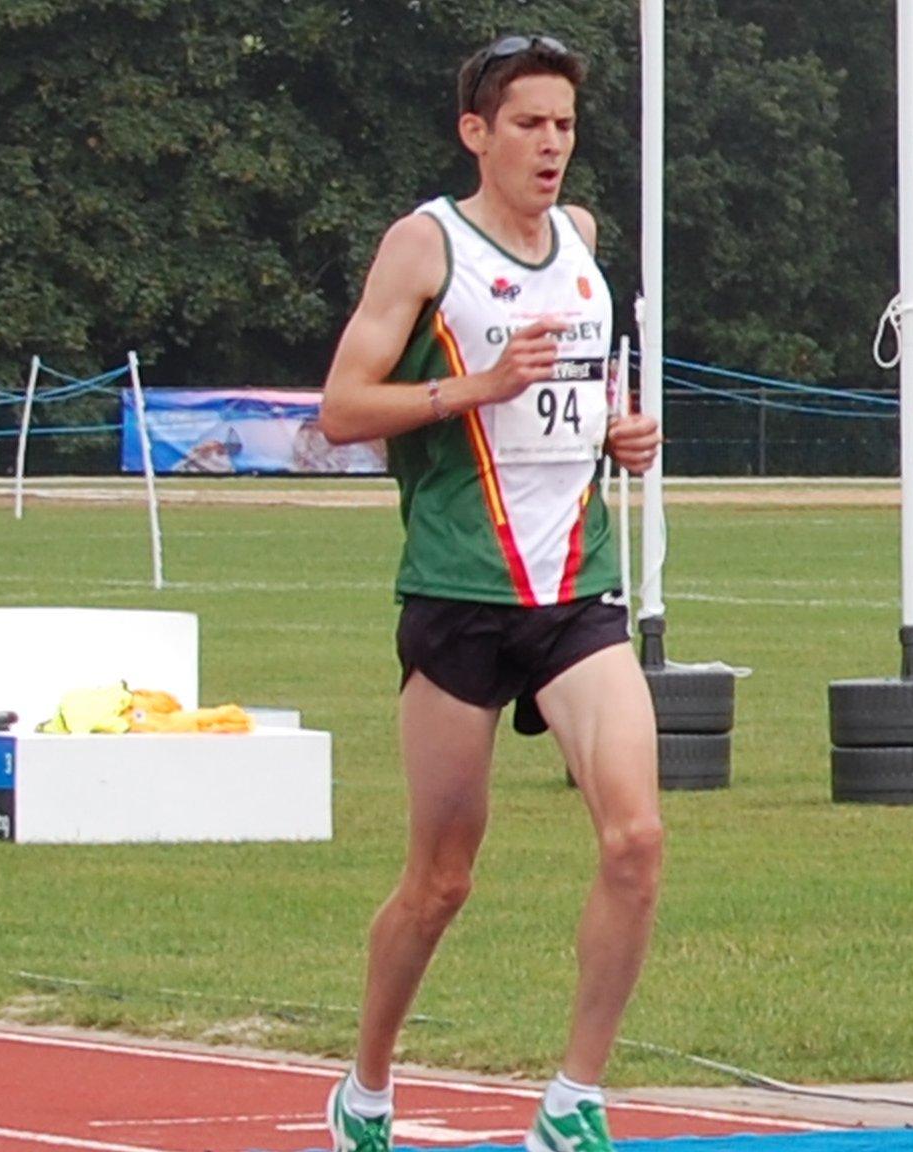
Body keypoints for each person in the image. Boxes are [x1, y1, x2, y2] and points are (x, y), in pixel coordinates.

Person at [314, 32, 664, 1152]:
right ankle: (364, 1085)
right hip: (459, 593)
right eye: (528, 124)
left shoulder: (583, 241)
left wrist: (621, 434)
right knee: (441, 880)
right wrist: (473, 384)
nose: (551, 144)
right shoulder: (425, 248)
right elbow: (340, 409)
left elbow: (566, 399)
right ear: (477, 132)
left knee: (634, 839)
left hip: (575, 593)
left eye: (564, 124)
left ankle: (572, 1100)